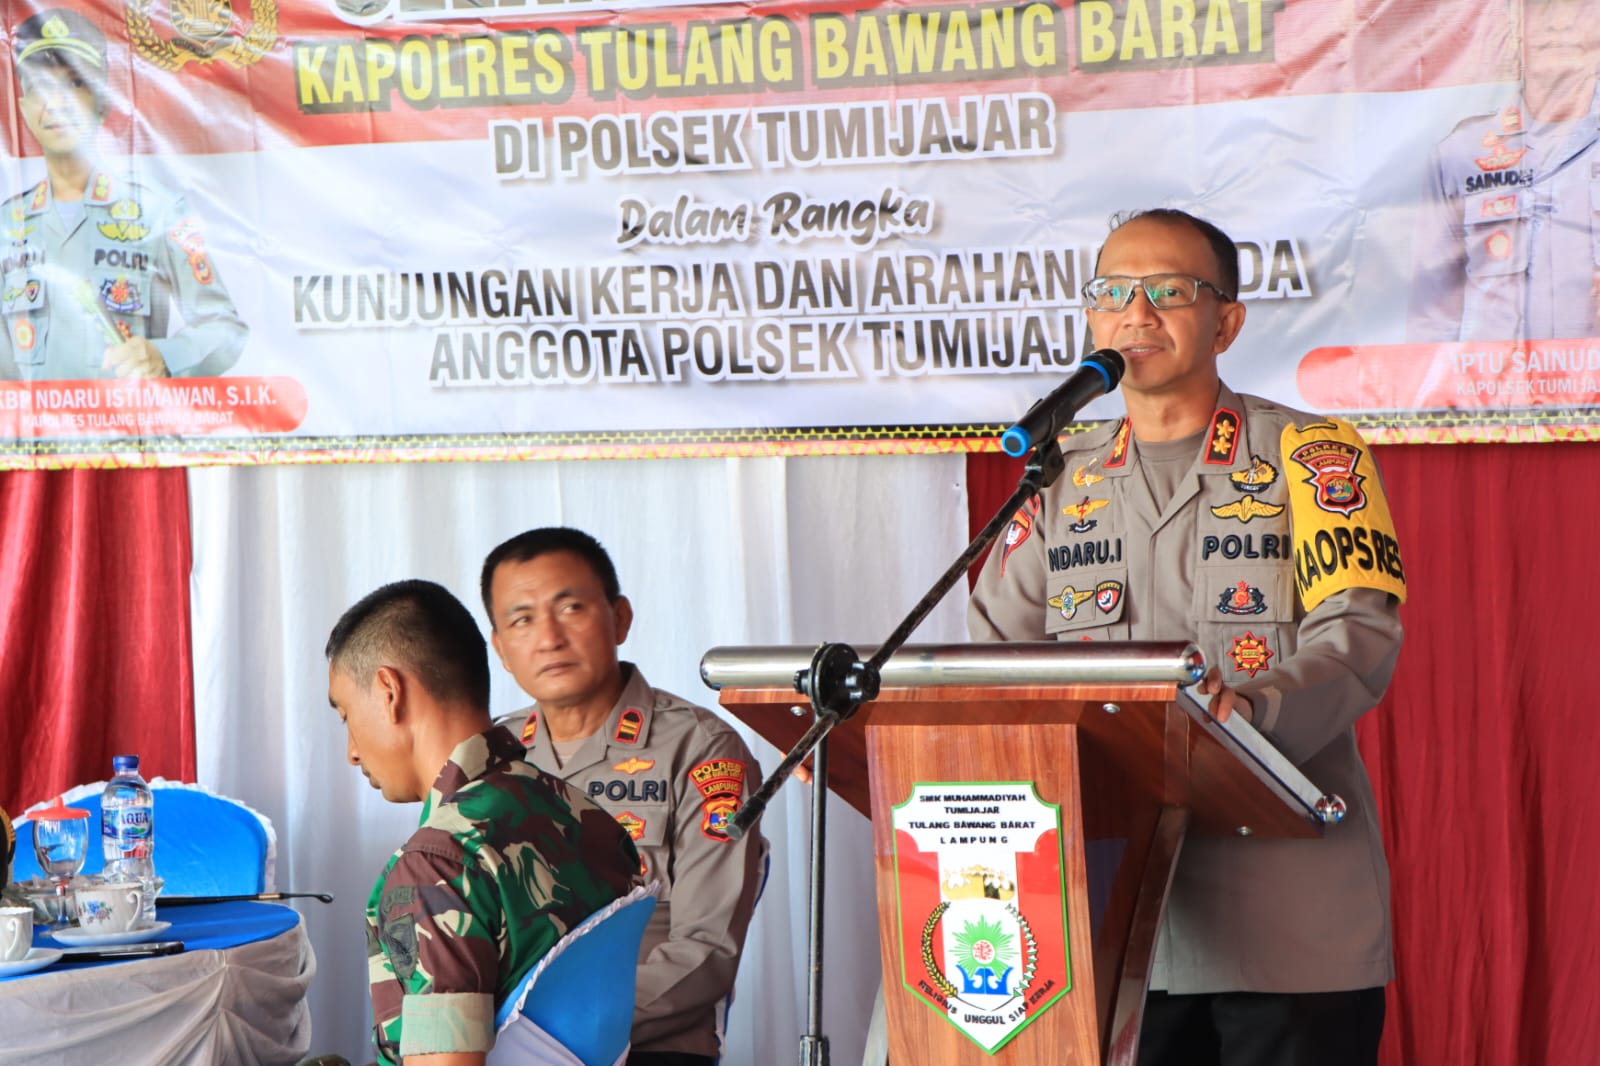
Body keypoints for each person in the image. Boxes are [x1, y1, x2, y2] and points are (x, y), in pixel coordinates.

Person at [969, 208, 1408, 1066]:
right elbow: (992, 657)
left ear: (1226, 321)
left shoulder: (1311, 457)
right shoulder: (1059, 479)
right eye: (1112, 293)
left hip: (1283, 919)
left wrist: (1247, 710)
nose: (1137, 313)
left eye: (1169, 291)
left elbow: (1356, 636)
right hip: (1107, 923)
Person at [481, 527, 767, 1066]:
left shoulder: (700, 748)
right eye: (522, 619)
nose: (548, 637)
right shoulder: (490, 756)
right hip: (502, 1046)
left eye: (570, 608)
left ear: (620, 618)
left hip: (646, 1044)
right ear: (500, 648)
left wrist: (559, 1030)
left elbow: (706, 949)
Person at [326, 578, 641, 1066]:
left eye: (346, 713)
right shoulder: (582, 814)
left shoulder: (437, 865)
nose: (350, 751)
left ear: (389, 692)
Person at [0, 9, 248, 381]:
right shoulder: (6, 225)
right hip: (34, 438)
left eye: (74, 84)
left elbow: (225, 330)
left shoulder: (157, 212)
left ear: (103, 99)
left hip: (125, 435)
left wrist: (166, 356)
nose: (57, 104)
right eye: (40, 88)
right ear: (23, 107)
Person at [1409, 0, 1600, 342]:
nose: (1559, 23)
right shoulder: (1460, 153)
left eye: (1577, 5)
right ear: (1515, 26)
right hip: (1494, 391)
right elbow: (1432, 324)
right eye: (1542, 7)